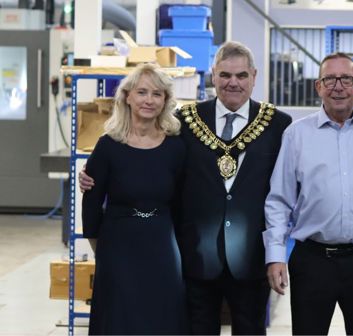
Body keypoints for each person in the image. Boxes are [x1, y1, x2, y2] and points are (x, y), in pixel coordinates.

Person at [81, 41, 291, 334]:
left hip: (250, 258)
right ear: (213, 76)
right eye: (225, 75)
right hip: (194, 256)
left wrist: (276, 253)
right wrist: (95, 175)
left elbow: (285, 191)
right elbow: (151, 163)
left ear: (254, 76)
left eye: (242, 75)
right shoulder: (185, 123)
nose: (233, 83)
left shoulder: (278, 125)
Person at [263, 52, 353, 335]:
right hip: (312, 262)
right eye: (329, 79)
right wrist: (276, 255)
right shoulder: (296, 135)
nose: (337, 86)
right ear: (318, 86)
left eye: (346, 79)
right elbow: (278, 201)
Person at [81, 63, 188, 334]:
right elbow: (91, 206)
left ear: (165, 100)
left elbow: (182, 203)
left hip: (161, 245)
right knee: (119, 319)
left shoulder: (176, 146)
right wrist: (103, 250)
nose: (148, 100)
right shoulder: (108, 146)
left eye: (157, 94)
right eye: (142, 92)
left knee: (161, 317)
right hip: (117, 247)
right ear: (127, 96)